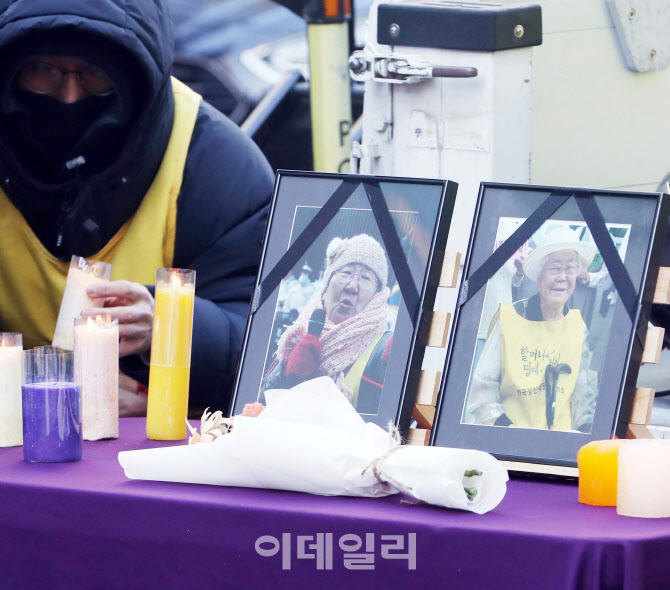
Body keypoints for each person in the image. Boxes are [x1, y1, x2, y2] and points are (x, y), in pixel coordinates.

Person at [0, 0, 274, 415]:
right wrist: (28, 386)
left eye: (95, 75)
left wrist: (169, 326)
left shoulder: (216, 165)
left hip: (155, 442)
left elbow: (268, 352)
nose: (70, 97)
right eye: (43, 72)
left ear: (135, 79)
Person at [465, 227, 599, 432]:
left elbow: (584, 397)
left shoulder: (578, 327)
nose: (563, 277)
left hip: (560, 443)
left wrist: (584, 431)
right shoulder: (508, 320)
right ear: (539, 275)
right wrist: (509, 430)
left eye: (570, 268)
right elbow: (482, 392)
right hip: (509, 438)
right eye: (554, 268)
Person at [262, 234, 393, 414]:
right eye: (346, 272)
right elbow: (259, 408)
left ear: (376, 297)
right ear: (327, 283)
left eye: (365, 278)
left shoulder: (384, 351)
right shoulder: (298, 332)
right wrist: (286, 375)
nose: (352, 286)